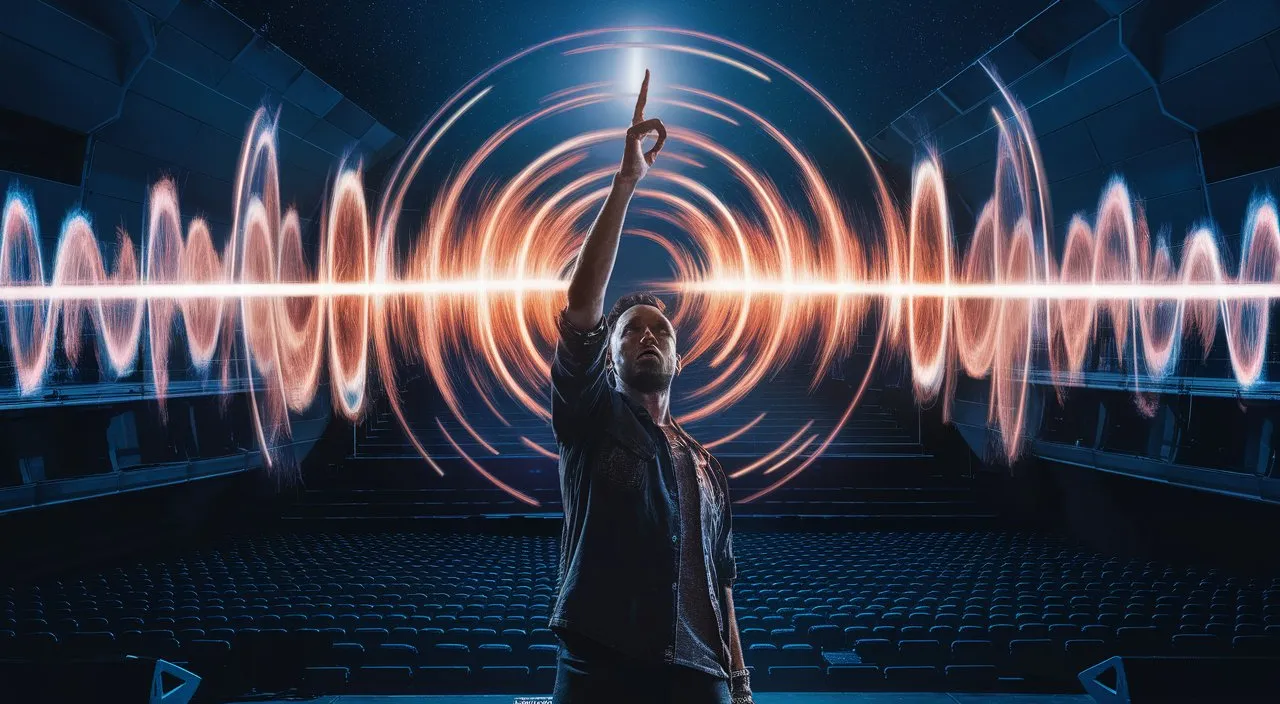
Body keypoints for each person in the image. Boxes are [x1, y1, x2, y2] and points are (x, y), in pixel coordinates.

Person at [548, 70, 753, 704]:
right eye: (631, 330)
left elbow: (720, 583)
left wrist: (740, 683)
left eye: (659, 331)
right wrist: (626, 182)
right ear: (608, 357)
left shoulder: (709, 466)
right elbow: (582, 306)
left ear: (679, 358)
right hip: (601, 667)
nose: (647, 337)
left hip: (702, 680)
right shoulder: (589, 419)